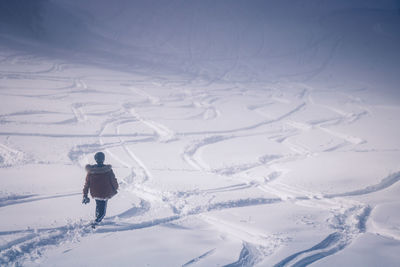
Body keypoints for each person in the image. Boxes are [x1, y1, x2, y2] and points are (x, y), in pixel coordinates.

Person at [82, 152, 118, 226]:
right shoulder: (108, 170)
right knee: (103, 210)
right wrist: (116, 188)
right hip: (105, 193)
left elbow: (87, 184)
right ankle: (96, 222)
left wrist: (85, 195)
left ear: (95, 159)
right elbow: (113, 180)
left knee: (98, 205)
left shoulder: (91, 171)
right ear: (103, 159)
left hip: (95, 193)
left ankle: (97, 217)